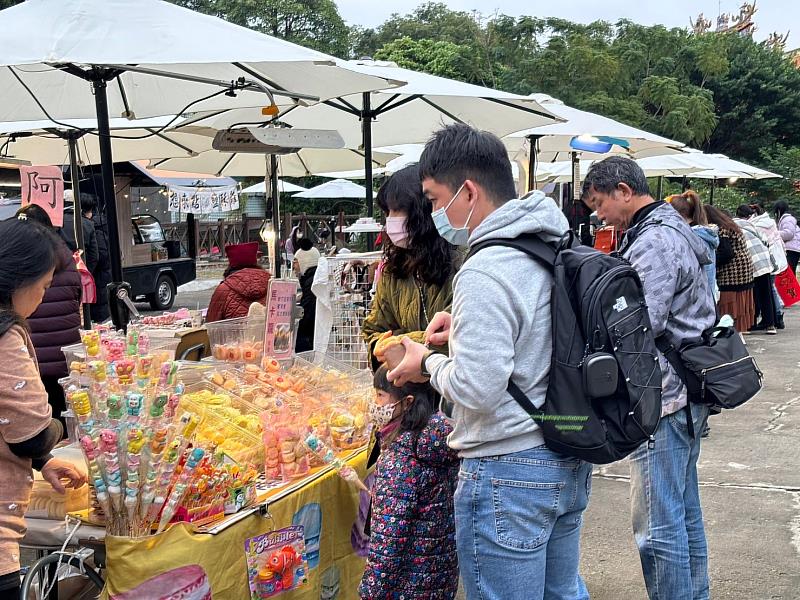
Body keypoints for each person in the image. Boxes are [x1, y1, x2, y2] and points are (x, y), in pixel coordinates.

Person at [388, 124, 593, 599]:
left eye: (435, 199)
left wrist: (428, 364)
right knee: (563, 592)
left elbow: (479, 389)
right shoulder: (550, 245)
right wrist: (462, 328)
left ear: (469, 192)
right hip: (566, 451)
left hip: (508, 470)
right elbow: (536, 339)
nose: (434, 213)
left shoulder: (487, 268)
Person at [582, 157, 716, 600]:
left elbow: (639, 324)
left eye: (600, 203)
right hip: (685, 391)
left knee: (658, 529)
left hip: (662, 397)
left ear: (623, 190)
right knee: (684, 514)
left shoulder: (654, 240)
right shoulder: (671, 228)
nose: (599, 214)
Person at [0, 216, 86, 599]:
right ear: (19, 279)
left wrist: (43, 461)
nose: (43, 297)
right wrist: (49, 437)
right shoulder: (4, 338)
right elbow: (31, 431)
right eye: (45, 286)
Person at [358, 365, 459, 599]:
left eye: (380, 395)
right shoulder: (437, 440)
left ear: (406, 402)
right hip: (439, 576)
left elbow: (388, 541)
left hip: (406, 585)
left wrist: (369, 593)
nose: (375, 402)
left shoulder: (401, 459)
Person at [362, 164, 458, 372]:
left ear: (423, 210)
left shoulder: (459, 264)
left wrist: (398, 339)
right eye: (387, 211)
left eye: (398, 209)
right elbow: (373, 330)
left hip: (450, 388)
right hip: (403, 390)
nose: (391, 219)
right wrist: (379, 346)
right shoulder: (393, 269)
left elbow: (456, 333)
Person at [15, 205, 83, 433]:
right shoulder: (67, 257)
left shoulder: (17, 261)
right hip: (65, 360)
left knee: (41, 427)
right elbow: (77, 296)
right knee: (63, 422)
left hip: (33, 363)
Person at [704, 205, 755, 333]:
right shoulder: (730, 224)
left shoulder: (721, 229)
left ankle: (729, 331)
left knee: (728, 303)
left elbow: (726, 253)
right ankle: (739, 331)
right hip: (744, 269)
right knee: (740, 303)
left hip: (732, 272)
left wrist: (711, 262)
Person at [667, 190, 719, 301]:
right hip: (709, 295)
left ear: (677, 215)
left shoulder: (692, 237)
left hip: (697, 301)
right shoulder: (704, 234)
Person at [735, 204, 778, 334]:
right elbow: (765, 240)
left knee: (752, 295)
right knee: (766, 294)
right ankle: (770, 325)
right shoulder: (753, 225)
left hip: (750, 262)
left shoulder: (733, 226)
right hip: (764, 261)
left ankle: (751, 322)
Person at [206, 242, 270, 322]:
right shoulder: (272, 284)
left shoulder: (223, 290)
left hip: (232, 334)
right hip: (268, 334)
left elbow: (211, 324)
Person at [749, 203, 787, 329]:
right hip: (776, 256)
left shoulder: (756, 225)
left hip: (764, 259)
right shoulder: (770, 222)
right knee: (771, 289)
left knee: (769, 290)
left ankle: (775, 317)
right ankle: (777, 316)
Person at [60, 192, 99, 274]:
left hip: (60, 273)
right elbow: (94, 256)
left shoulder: (55, 223)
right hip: (81, 271)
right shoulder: (88, 224)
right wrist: (86, 272)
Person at [293, 238, 320, 353]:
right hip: (315, 333)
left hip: (308, 337)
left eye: (295, 262)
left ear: (304, 261)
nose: (294, 267)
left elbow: (307, 314)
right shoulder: (315, 278)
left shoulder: (310, 283)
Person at [775, 199, 800, 274]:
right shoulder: (786, 219)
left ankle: (793, 286)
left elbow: (789, 234)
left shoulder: (788, 219)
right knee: (790, 273)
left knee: (789, 273)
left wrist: (774, 233)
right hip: (792, 249)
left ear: (779, 210)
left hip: (791, 249)